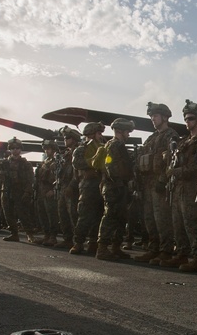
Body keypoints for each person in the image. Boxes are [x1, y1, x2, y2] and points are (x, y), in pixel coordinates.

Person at [168, 100, 197, 272]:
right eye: (186, 119)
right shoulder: (184, 141)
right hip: (179, 187)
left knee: (192, 222)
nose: (188, 122)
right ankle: (182, 253)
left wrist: (177, 171)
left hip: (193, 186)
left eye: (191, 118)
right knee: (178, 222)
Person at [134, 103, 179, 264]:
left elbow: (172, 161)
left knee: (162, 219)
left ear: (165, 117)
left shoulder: (171, 135)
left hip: (160, 184)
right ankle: (153, 249)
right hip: (147, 183)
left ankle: (165, 251)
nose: (152, 119)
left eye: (155, 116)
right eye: (151, 116)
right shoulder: (151, 138)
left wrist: (163, 180)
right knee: (149, 219)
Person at [94, 118, 136, 261]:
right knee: (110, 216)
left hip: (119, 186)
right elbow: (110, 165)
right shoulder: (114, 145)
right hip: (114, 187)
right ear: (120, 131)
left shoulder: (117, 145)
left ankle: (115, 248)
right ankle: (102, 248)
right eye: (127, 132)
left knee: (120, 218)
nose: (128, 134)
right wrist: (118, 182)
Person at [70, 122, 105, 255]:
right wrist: (92, 162)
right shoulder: (81, 149)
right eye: (98, 133)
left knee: (98, 215)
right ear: (91, 134)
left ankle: (93, 243)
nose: (101, 136)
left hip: (100, 184)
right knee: (84, 216)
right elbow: (77, 163)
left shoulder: (103, 147)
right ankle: (78, 243)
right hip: (88, 186)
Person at [0, 138, 36, 242]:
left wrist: (27, 191)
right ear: (10, 150)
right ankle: (14, 233)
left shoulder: (25, 164)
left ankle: (30, 234)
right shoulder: (3, 163)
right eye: (13, 148)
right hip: (6, 191)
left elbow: (30, 179)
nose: (15, 150)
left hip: (20, 191)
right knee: (8, 213)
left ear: (20, 149)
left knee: (23, 213)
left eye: (17, 148)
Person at [35, 139, 61, 246]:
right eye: (45, 149)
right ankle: (46, 235)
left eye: (48, 149)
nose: (46, 151)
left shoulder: (56, 162)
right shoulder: (45, 162)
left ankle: (53, 237)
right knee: (42, 214)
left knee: (52, 215)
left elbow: (59, 177)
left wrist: (53, 190)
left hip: (50, 191)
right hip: (42, 191)